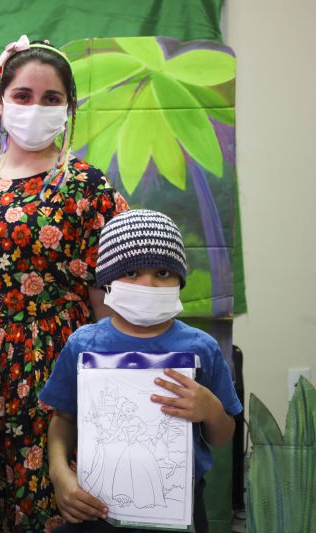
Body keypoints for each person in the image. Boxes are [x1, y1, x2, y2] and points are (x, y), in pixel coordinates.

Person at [0, 35, 128, 531]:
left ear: (69, 108)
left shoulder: (88, 186)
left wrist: (104, 385)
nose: (35, 108)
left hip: (55, 368)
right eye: (23, 96)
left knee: (49, 502)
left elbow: (105, 296)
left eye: (51, 99)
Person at [40, 209, 242, 533]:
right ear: (107, 279)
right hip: (96, 510)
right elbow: (63, 419)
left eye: (162, 272)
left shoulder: (201, 347)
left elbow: (222, 437)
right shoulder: (84, 344)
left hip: (180, 510)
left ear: (180, 279)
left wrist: (211, 409)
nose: (147, 284)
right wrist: (59, 474)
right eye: (131, 273)